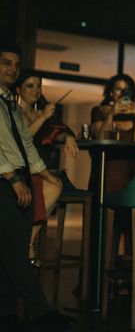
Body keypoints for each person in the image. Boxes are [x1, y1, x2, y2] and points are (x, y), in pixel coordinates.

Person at [0, 44, 73, 332]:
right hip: (5, 178)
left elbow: (26, 144)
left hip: (19, 174)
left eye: (15, 65)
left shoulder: (10, 104)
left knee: (8, 251)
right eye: (5, 62)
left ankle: (5, 312)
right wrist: (13, 179)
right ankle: (43, 314)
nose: (12, 69)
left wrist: (43, 173)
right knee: (14, 252)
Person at [14, 69, 78, 268]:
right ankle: (25, 243)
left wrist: (67, 136)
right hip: (18, 168)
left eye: (38, 86)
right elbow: (23, 138)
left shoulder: (39, 113)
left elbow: (55, 132)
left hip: (40, 168)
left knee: (55, 186)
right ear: (18, 89)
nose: (36, 90)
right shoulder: (12, 110)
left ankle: (28, 241)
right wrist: (42, 117)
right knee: (48, 185)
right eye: (30, 86)